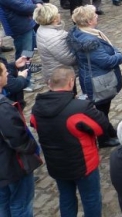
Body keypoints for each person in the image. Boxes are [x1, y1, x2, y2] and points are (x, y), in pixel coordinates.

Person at [30, 66, 110, 217]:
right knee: (91, 198)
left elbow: (34, 124)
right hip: (83, 164)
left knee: (66, 198)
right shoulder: (79, 108)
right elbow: (101, 127)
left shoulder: (37, 109)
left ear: (49, 83)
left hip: (56, 164)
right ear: (71, 82)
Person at [68, 5, 122, 147]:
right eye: (94, 16)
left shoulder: (80, 33)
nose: (97, 16)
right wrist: (120, 55)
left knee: (102, 109)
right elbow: (106, 61)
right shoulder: (90, 41)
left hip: (90, 75)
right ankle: (104, 139)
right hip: (98, 80)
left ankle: (108, 130)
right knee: (101, 110)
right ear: (88, 22)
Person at [0, 62, 40, 217]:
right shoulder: (3, 107)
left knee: (3, 202)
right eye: (4, 72)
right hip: (12, 165)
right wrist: (32, 147)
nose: (7, 74)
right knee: (20, 203)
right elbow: (17, 138)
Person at [33, 4, 77, 84]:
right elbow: (69, 59)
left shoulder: (42, 28)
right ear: (54, 19)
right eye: (57, 13)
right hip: (61, 77)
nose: (59, 14)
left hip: (52, 71)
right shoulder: (54, 37)